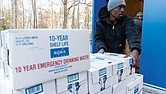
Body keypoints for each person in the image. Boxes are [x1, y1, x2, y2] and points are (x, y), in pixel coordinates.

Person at [94, 0, 141, 67]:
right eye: (119, 7)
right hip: (105, 55)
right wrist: (101, 48)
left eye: (123, 7)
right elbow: (98, 37)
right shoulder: (100, 22)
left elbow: (132, 35)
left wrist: (135, 50)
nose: (122, 10)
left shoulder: (127, 20)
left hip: (119, 55)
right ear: (110, 9)